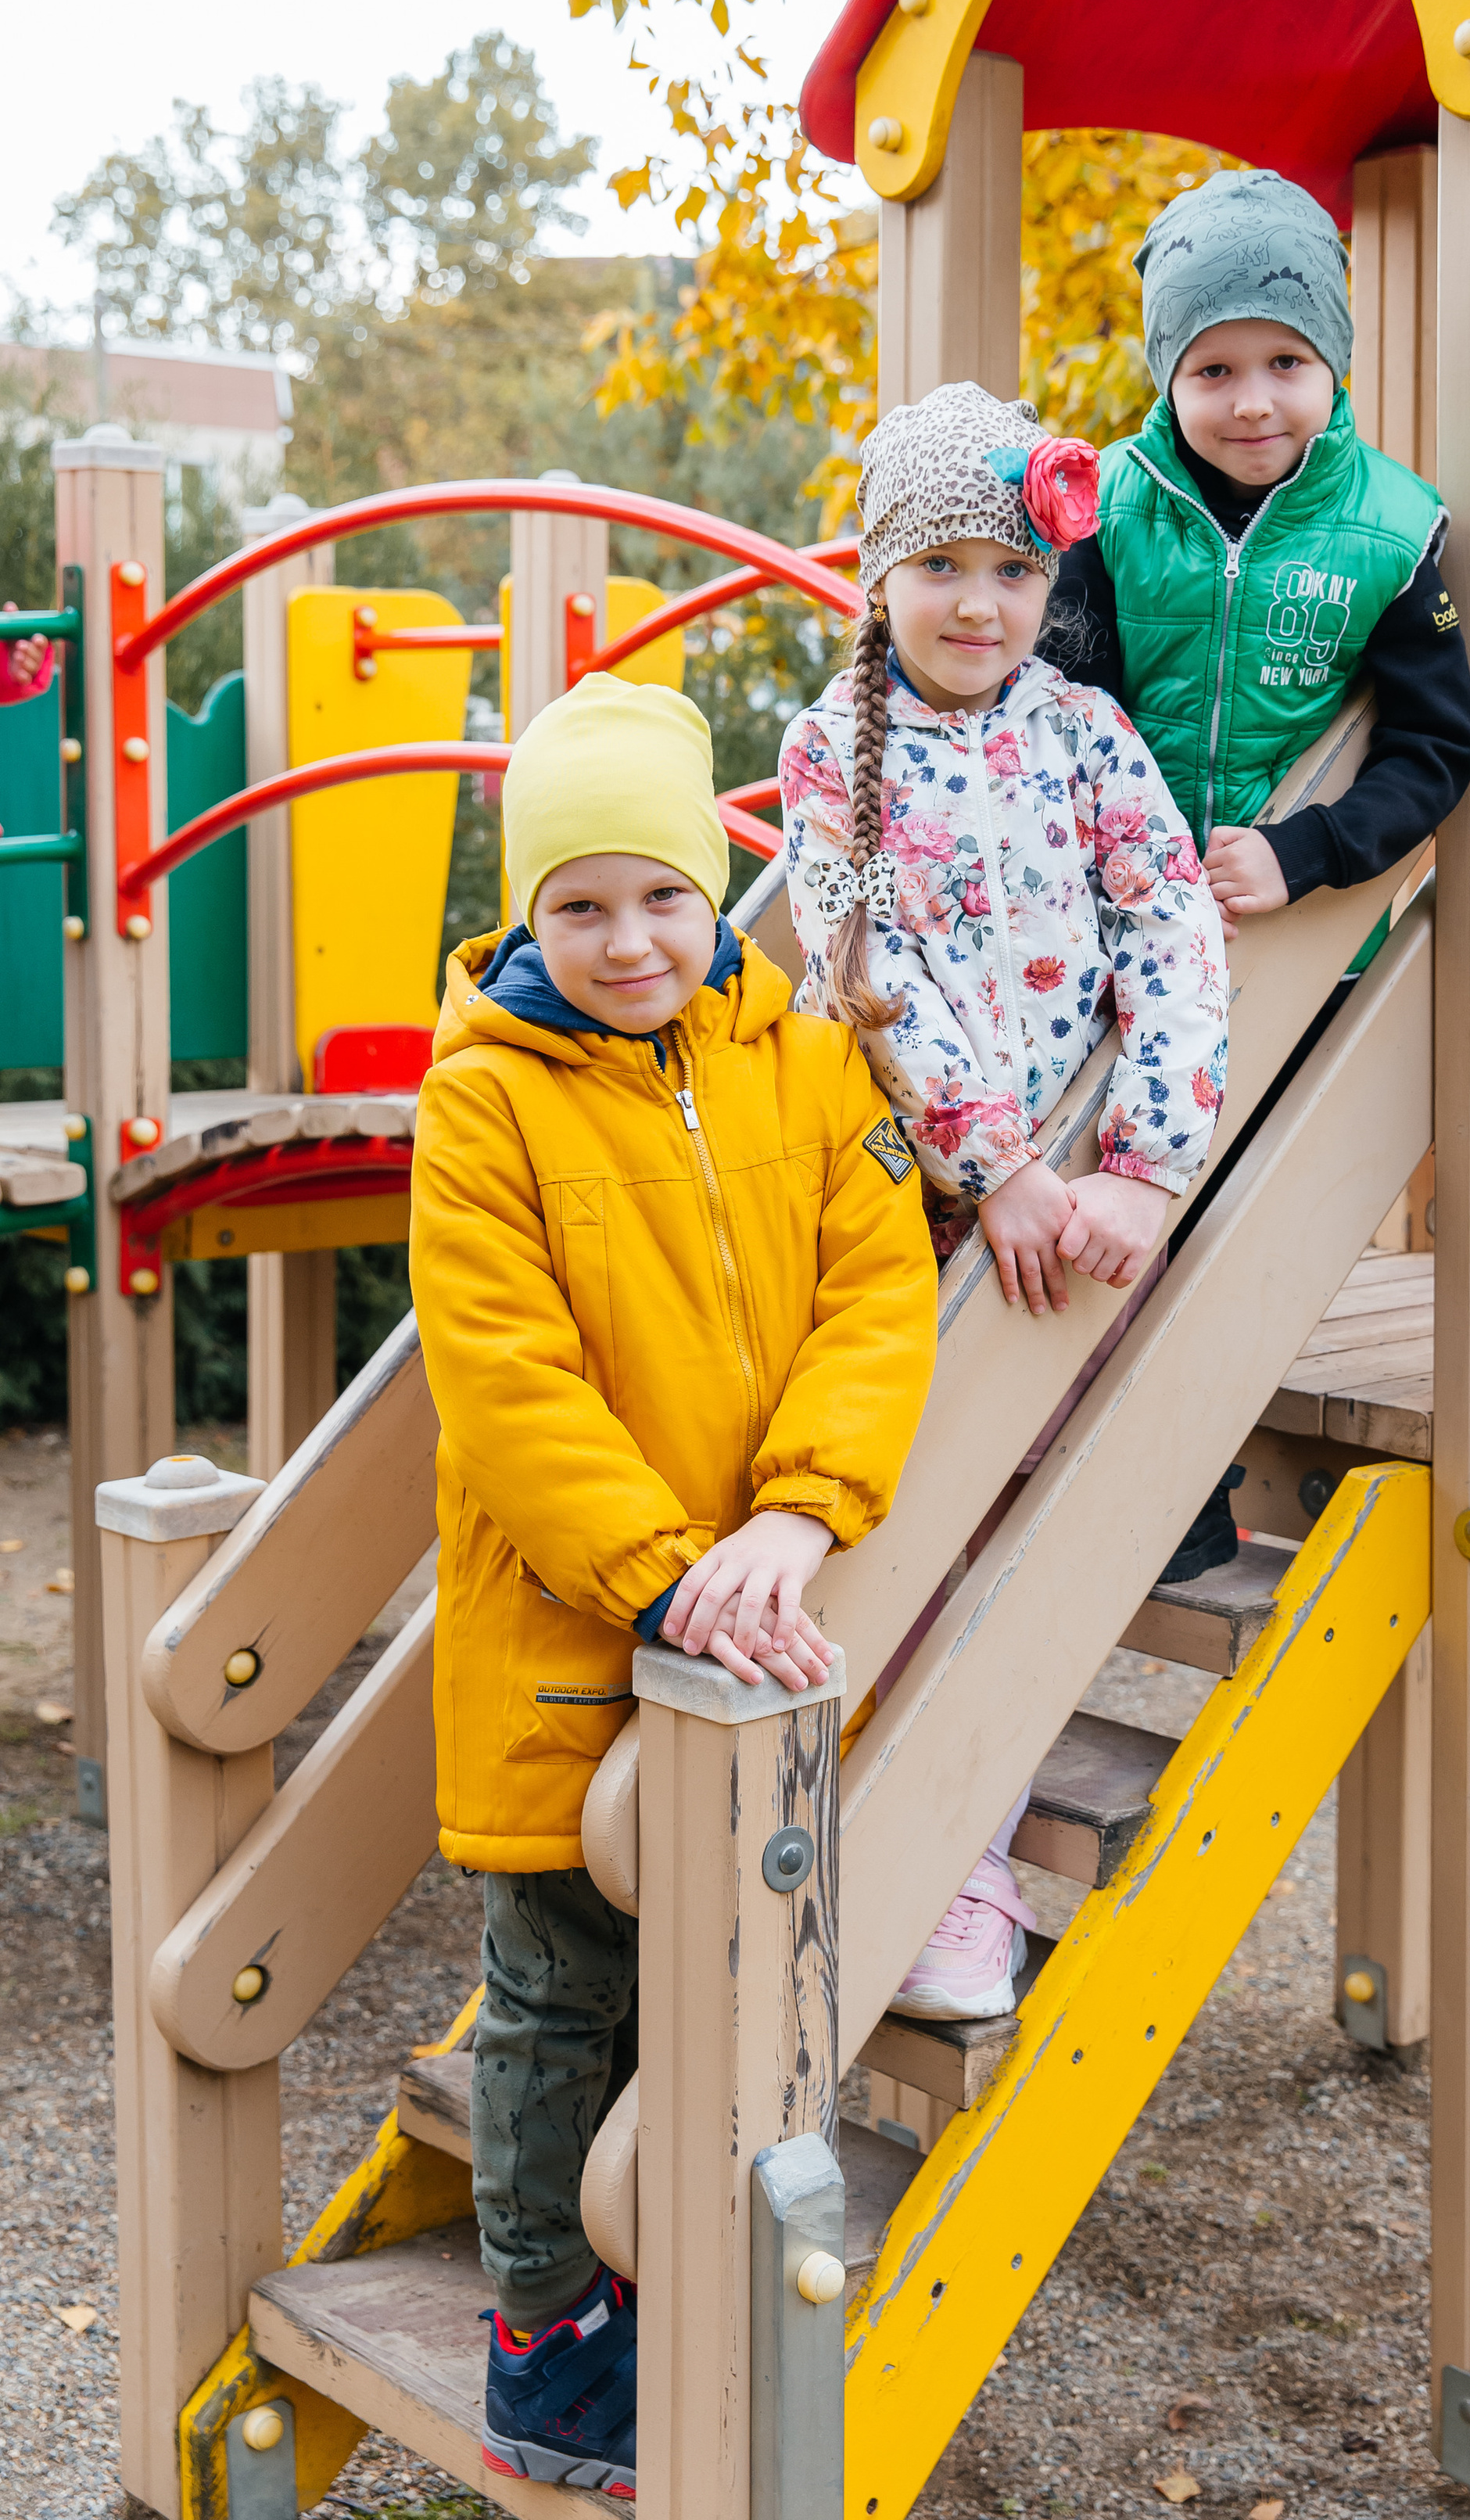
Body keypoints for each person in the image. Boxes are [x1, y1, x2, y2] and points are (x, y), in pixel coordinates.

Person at [410, 670, 938, 2497]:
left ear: (719, 883)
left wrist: (797, 1514)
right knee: (562, 1994)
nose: (626, 939)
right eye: (577, 904)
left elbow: (879, 1288)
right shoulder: (482, 1104)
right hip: (578, 1632)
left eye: (659, 893)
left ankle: (670, 2288)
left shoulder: (797, 1054)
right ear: (522, 912)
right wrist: (664, 1574)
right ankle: (541, 2334)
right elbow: (506, 1382)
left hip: (759, 1606)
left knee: (707, 1985)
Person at [779, 378, 1230, 2022]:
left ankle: (952, 1842)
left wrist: (1146, 1166)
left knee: (1038, 1543)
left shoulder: (1086, 736)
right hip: (921, 1216)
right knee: (922, 1529)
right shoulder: (820, 757)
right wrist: (1007, 1164)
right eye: (945, 569)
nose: (982, 607)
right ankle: (933, 1877)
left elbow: (1169, 931)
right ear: (877, 577)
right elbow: (864, 962)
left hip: (1078, 1224)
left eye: (1015, 574)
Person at [1049, 164, 1470, 1572]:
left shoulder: (1391, 530)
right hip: (1114, 932)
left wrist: (1306, 857)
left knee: (1232, 1213)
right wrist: (1115, 861)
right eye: (1214, 366)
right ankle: (1102, 1479)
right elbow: (1063, 707)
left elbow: (1435, 748)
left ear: (1333, 364)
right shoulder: (1105, 511)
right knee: (1112, 1202)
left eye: (1286, 362)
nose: (1251, 401)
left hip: (1292, 950)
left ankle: (1188, 1474)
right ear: (1167, 372)